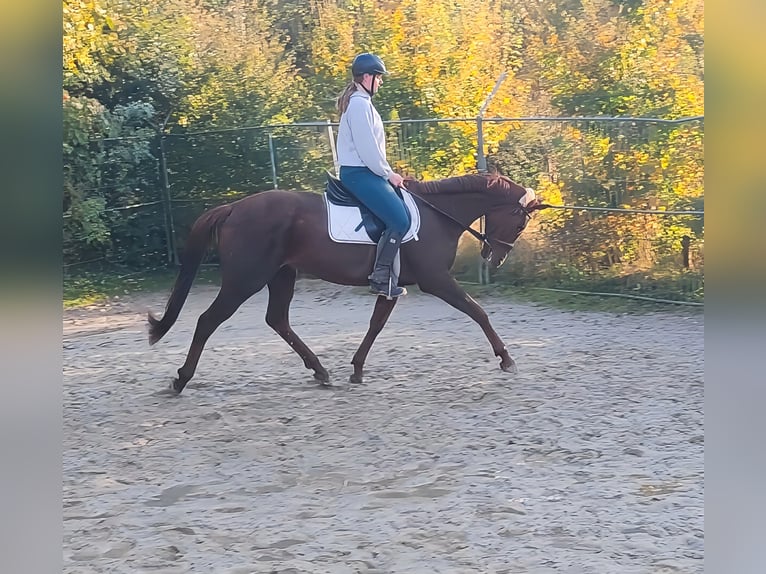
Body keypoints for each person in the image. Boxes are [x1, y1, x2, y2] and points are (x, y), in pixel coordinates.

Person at [336, 52, 409, 299]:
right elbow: (368, 150)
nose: (380, 82)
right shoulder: (358, 105)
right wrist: (389, 174)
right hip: (360, 173)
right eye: (378, 78)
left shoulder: (362, 103)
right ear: (366, 77)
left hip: (365, 171)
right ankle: (380, 277)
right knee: (400, 220)